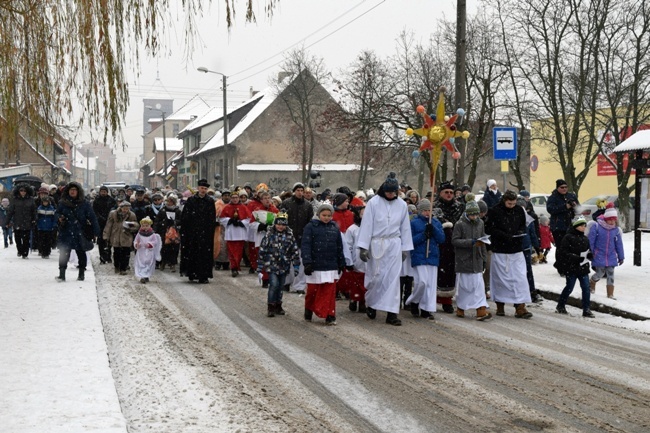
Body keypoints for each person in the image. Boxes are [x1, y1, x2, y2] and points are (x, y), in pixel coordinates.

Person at [357, 172, 413, 326]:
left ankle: (391, 313)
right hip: (377, 244)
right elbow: (367, 224)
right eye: (388, 192)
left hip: (394, 244)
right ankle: (372, 304)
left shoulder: (401, 205)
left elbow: (405, 227)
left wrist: (405, 248)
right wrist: (363, 247)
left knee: (393, 279)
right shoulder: (374, 203)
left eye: (393, 192)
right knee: (377, 277)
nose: (390, 195)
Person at [485, 190, 533, 318]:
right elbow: (489, 228)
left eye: (513, 203)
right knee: (500, 279)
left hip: (516, 249)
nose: (511, 206)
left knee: (520, 279)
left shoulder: (519, 211)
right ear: (504, 201)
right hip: (500, 249)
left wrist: (519, 233)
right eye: (509, 203)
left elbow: (524, 225)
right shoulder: (495, 211)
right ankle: (500, 305)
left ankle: (520, 306)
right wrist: (504, 235)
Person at [302, 203, 346, 325]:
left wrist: (341, 262)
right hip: (315, 265)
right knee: (313, 291)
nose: (326, 218)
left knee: (329, 292)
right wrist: (307, 262)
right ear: (318, 214)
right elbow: (306, 245)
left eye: (329, 215)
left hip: (330, 265)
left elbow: (339, 247)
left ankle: (329, 314)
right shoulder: (310, 227)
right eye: (324, 215)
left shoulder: (334, 228)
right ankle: (309, 309)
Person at [405, 199, 446, 320]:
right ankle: (414, 301)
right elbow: (411, 241)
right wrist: (423, 235)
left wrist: (433, 229)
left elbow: (441, 239)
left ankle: (426, 309)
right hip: (419, 256)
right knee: (422, 282)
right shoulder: (414, 223)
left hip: (432, 256)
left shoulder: (436, 222)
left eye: (429, 210)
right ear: (420, 211)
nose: (427, 213)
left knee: (430, 285)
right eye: (425, 210)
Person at [452, 200, 491, 320]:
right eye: (472, 215)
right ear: (467, 214)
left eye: (477, 215)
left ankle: (481, 309)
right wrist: (470, 242)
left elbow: (482, 241)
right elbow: (455, 241)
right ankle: (461, 308)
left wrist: (484, 257)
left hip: (477, 259)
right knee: (465, 286)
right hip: (464, 261)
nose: (475, 217)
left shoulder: (480, 223)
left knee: (479, 286)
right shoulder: (460, 224)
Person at [257, 212, 301, 317]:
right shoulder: (269, 235)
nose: (280, 226)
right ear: (275, 224)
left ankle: (278, 304)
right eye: (278, 224)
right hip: (271, 264)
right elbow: (262, 250)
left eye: (283, 224)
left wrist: (296, 266)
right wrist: (260, 266)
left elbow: (294, 252)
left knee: (281, 286)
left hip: (284, 265)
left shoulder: (290, 236)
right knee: (274, 285)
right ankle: (271, 306)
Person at [55, 182, 100, 281]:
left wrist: (96, 231)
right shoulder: (63, 202)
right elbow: (57, 213)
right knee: (64, 253)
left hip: (80, 231)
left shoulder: (84, 203)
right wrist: (59, 218)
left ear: (78, 191)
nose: (72, 191)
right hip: (66, 231)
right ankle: (62, 274)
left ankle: (81, 274)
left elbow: (92, 217)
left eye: (75, 190)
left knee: (81, 253)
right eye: (71, 190)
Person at [433, 181, 465, 313]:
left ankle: (447, 301)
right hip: (438, 244)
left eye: (451, 192)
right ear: (440, 193)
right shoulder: (435, 207)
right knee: (436, 273)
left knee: (450, 273)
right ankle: (432, 299)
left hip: (453, 245)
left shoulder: (459, 207)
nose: (449, 195)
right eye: (446, 192)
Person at [555, 216, 595, 317]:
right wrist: (575, 258)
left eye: (585, 225)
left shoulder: (585, 238)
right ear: (576, 226)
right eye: (581, 225)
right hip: (571, 267)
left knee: (586, 288)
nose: (584, 227)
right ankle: (561, 305)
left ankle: (586, 309)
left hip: (583, 267)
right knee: (569, 287)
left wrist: (589, 255)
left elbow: (588, 249)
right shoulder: (568, 237)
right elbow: (563, 252)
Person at [180, 179, 217, 283]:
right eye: (202, 188)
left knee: (204, 254)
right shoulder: (191, 200)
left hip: (205, 233)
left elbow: (212, 217)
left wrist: (209, 229)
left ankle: (203, 275)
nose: (203, 190)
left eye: (205, 189)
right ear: (198, 188)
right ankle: (191, 273)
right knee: (192, 252)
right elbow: (185, 216)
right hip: (193, 232)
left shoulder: (209, 201)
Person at [281, 182, 314, 293]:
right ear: (294, 191)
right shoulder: (286, 203)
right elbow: (282, 219)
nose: (300, 193)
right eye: (298, 190)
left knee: (300, 262)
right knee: (287, 261)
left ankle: (299, 285)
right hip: (288, 236)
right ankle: (286, 282)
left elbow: (310, 222)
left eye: (302, 191)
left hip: (302, 237)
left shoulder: (307, 205)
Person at [588, 207, 624, 299]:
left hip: (611, 256)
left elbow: (619, 244)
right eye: (610, 220)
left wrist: (621, 256)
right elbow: (591, 241)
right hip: (599, 254)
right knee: (600, 273)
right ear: (606, 219)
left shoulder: (615, 230)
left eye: (614, 220)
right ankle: (592, 282)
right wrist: (590, 252)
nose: (612, 222)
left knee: (611, 274)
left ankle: (610, 294)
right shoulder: (596, 227)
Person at [546, 178, 579, 270]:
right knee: (561, 247)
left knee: (571, 247)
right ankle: (561, 266)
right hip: (558, 226)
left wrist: (575, 206)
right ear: (557, 188)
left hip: (571, 225)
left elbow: (578, 207)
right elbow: (550, 209)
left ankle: (569, 265)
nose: (564, 189)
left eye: (566, 187)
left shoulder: (571, 196)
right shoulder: (553, 197)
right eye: (562, 187)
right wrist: (565, 206)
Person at [219, 189, 251, 277]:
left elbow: (249, 219)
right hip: (231, 233)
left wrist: (241, 222)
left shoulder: (244, 207)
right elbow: (222, 219)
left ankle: (236, 266)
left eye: (236, 197)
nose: (235, 199)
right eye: (233, 198)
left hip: (240, 233)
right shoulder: (227, 207)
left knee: (239, 252)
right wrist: (230, 220)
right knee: (231, 252)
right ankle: (233, 267)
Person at [517, 198, 542, 303]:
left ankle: (530, 291)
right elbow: (532, 234)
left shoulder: (528, 219)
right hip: (518, 248)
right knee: (523, 271)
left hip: (523, 247)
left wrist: (537, 248)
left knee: (525, 270)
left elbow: (533, 234)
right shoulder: (525, 218)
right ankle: (526, 291)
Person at [103, 201, 139, 275]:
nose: (125, 210)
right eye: (124, 208)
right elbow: (109, 225)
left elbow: (136, 225)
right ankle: (117, 266)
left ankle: (123, 268)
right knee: (116, 253)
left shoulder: (131, 215)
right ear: (121, 207)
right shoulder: (113, 214)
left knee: (126, 253)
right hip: (115, 235)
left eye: (127, 209)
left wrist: (130, 227)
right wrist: (106, 235)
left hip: (126, 236)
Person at [343, 205, 367, 313]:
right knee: (355, 281)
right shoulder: (352, 229)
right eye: (362, 214)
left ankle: (363, 301)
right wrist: (349, 260)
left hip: (368, 259)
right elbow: (348, 245)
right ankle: (354, 299)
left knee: (366, 282)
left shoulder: (370, 229)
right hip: (356, 258)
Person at [6, 183, 36, 258]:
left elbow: (34, 211)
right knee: (18, 239)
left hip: (27, 222)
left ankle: (25, 253)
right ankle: (20, 250)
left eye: (24, 191)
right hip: (17, 222)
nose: (23, 192)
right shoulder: (15, 200)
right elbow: (10, 211)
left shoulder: (31, 200)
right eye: (21, 190)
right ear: (18, 191)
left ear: (27, 191)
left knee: (26, 239)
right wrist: (7, 221)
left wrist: (34, 219)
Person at [154, 194, 181, 272]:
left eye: (170, 201)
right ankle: (163, 263)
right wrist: (158, 228)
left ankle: (172, 264)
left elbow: (181, 220)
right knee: (164, 248)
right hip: (164, 232)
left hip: (174, 232)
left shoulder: (177, 211)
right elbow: (157, 220)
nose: (168, 203)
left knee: (174, 248)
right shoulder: (163, 210)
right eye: (168, 201)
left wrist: (175, 222)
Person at [92, 185, 117, 264]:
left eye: (105, 192)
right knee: (101, 241)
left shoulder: (111, 200)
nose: (103, 193)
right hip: (100, 223)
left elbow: (114, 209)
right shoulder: (96, 200)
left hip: (109, 222)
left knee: (109, 240)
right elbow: (94, 211)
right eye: (102, 192)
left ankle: (108, 256)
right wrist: (99, 217)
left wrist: (109, 217)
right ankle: (102, 257)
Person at [133, 217, 162, 283]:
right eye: (143, 226)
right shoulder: (139, 233)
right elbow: (136, 241)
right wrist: (137, 244)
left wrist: (150, 244)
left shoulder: (152, 234)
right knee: (141, 263)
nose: (145, 227)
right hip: (141, 251)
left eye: (147, 226)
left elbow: (155, 242)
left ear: (150, 225)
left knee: (148, 263)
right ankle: (142, 276)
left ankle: (146, 275)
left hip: (149, 251)